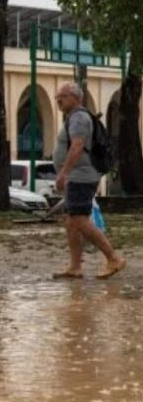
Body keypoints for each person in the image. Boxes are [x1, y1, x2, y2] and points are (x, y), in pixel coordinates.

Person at [52, 81, 126, 280]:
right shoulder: (73, 118)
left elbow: (77, 146)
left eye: (63, 96)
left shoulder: (79, 118)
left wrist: (64, 173)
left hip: (81, 177)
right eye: (57, 96)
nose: (58, 99)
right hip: (76, 177)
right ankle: (75, 266)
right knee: (70, 220)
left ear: (76, 98)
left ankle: (113, 257)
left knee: (78, 218)